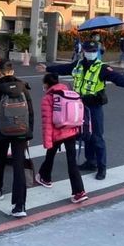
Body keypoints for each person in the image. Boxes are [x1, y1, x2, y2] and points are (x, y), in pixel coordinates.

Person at [37, 41, 124, 180]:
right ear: (83, 51)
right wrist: (48, 68)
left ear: (96, 51)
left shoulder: (101, 67)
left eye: (93, 51)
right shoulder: (78, 65)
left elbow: (115, 77)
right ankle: (90, 162)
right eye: (88, 50)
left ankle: (101, 167)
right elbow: (64, 68)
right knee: (86, 135)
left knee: (97, 137)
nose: (91, 53)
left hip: (94, 106)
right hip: (79, 106)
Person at [0, 60, 34, 217]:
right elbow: (30, 112)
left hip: (1, 131)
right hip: (21, 130)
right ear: (12, 72)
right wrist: (29, 132)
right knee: (18, 166)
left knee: (0, 159)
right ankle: (20, 206)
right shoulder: (23, 88)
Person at [35, 73, 88, 204]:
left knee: (50, 155)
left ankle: (45, 178)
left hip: (57, 133)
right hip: (71, 131)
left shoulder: (48, 98)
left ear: (46, 84)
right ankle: (79, 192)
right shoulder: (68, 92)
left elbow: (47, 122)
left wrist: (47, 142)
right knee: (72, 163)